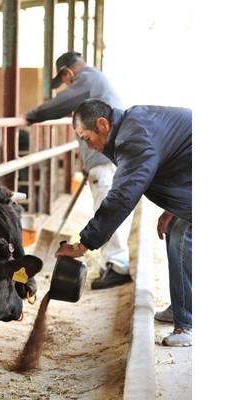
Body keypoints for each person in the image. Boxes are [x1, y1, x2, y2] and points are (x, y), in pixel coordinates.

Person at [55, 99, 192, 347]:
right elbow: (177, 162)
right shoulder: (131, 127)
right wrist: (172, 208)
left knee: (182, 234)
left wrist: (83, 244)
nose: (89, 146)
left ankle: (186, 325)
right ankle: (183, 305)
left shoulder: (133, 137)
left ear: (102, 124)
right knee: (176, 228)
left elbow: (122, 196)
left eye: (86, 138)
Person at [25, 51, 134, 290]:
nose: (66, 86)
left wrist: (30, 116)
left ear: (67, 73)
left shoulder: (87, 79)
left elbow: (61, 103)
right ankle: (113, 263)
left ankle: (117, 266)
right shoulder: (96, 80)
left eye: (64, 82)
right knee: (107, 205)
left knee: (107, 206)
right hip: (106, 157)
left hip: (105, 159)